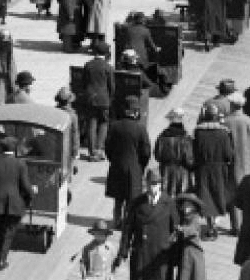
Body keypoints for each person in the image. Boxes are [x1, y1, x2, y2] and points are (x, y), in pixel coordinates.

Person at [115, 169, 178, 280]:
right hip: (142, 251)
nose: (152, 187)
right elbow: (127, 229)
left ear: (161, 184)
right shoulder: (137, 203)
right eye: (150, 184)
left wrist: (175, 255)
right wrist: (123, 251)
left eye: (155, 184)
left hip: (160, 255)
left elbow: (175, 230)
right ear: (146, 184)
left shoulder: (169, 203)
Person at [0, 134, 34, 271]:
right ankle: (1, 260)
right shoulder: (20, 164)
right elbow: (25, 186)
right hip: (14, 204)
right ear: (15, 148)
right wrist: (30, 196)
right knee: (8, 232)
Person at [105, 95, 151, 229]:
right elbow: (146, 151)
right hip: (134, 167)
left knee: (118, 197)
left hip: (117, 165)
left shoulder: (115, 126)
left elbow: (108, 147)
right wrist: (141, 165)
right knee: (131, 197)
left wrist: (114, 160)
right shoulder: (140, 128)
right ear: (135, 112)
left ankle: (117, 220)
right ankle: (128, 222)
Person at [192, 102, 234, 238]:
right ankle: (214, 224)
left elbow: (195, 152)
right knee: (218, 194)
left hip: (203, 167)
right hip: (219, 168)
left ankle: (210, 224)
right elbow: (228, 154)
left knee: (206, 196)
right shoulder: (224, 133)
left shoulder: (198, 132)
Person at [172, 194, 207, 280]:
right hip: (185, 257)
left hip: (194, 258)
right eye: (184, 204)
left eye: (189, 204)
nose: (186, 206)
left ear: (194, 206)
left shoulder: (196, 218)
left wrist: (181, 229)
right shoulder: (182, 218)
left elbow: (192, 230)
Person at [81, 40, 115, 160]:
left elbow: (84, 82)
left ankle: (92, 151)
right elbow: (112, 86)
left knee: (91, 123)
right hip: (104, 99)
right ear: (106, 53)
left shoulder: (88, 65)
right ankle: (99, 149)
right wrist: (110, 98)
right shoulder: (108, 67)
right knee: (103, 123)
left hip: (90, 98)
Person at [154, 108, 194, 198]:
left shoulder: (162, 136)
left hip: (165, 172)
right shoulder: (186, 137)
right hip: (182, 173)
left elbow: (157, 155)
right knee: (182, 199)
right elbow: (189, 159)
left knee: (166, 198)